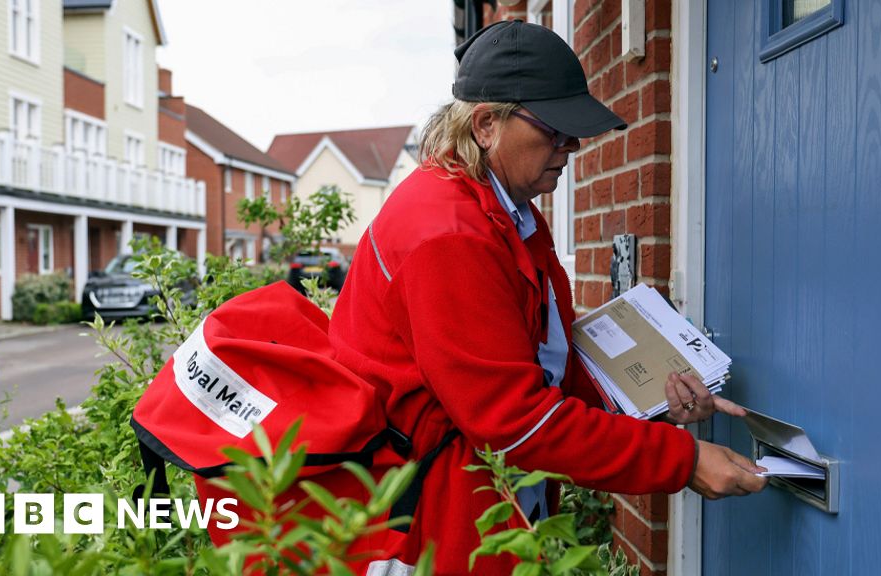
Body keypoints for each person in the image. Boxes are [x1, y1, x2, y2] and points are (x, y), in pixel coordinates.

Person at [328, 19, 767, 575]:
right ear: (486, 124)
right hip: (436, 523)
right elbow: (512, 420)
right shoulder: (450, 234)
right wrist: (683, 461)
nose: (572, 146)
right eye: (556, 129)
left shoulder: (504, 209)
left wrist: (651, 398)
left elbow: (537, 355)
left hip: (478, 499)